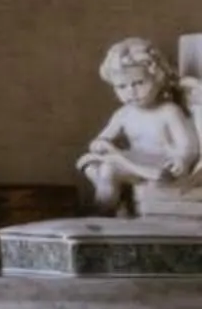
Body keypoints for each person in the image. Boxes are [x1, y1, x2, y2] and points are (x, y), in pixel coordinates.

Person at [79, 37, 200, 213]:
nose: (131, 92)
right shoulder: (124, 114)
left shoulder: (169, 111)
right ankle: (110, 210)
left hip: (163, 165)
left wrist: (182, 158)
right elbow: (104, 137)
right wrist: (100, 144)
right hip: (135, 161)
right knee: (93, 166)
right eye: (122, 87)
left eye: (139, 83)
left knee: (109, 171)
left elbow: (188, 145)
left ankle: (103, 213)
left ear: (157, 77)